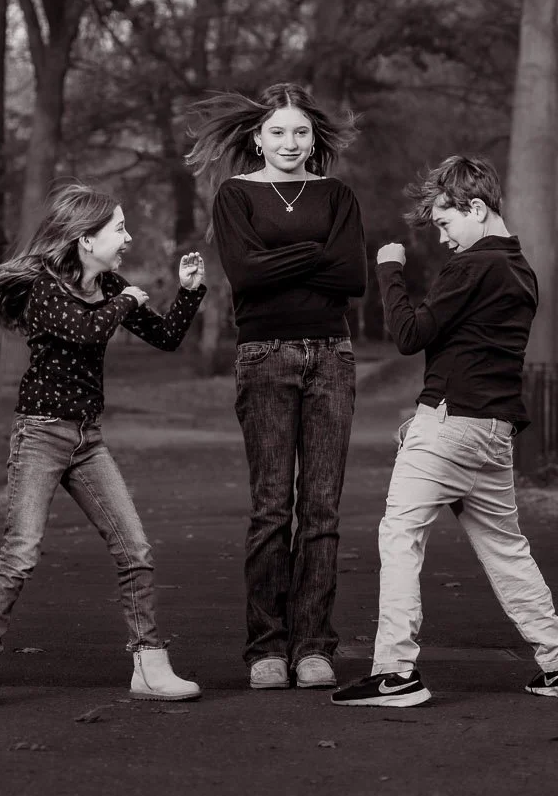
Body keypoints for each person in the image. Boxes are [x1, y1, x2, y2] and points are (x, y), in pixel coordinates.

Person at [332, 155, 558, 707]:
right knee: (505, 548)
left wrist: (389, 270)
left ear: (476, 207)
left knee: (400, 538)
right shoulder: (522, 271)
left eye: (445, 223)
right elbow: (470, 348)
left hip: (449, 429)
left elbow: (409, 333)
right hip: (493, 432)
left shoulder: (473, 267)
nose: (443, 238)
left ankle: (395, 673)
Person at [0, 183, 206, 706]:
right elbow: (87, 331)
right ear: (85, 240)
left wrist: (189, 292)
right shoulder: (46, 291)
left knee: (135, 549)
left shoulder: (110, 286)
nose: (128, 237)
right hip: (41, 435)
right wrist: (124, 300)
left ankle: (149, 667)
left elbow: (165, 337)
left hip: (87, 441)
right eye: (118, 228)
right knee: (21, 552)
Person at [186, 82, 365, 691]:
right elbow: (242, 273)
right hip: (263, 357)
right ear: (257, 137)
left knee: (321, 509)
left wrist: (279, 261)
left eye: (301, 132)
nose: (290, 143)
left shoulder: (337, 195)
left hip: (332, 357)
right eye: (278, 132)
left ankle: (313, 646)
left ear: (315, 139)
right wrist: (315, 253)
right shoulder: (235, 196)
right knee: (270, 509)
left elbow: (353, 275)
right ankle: (266, 647)